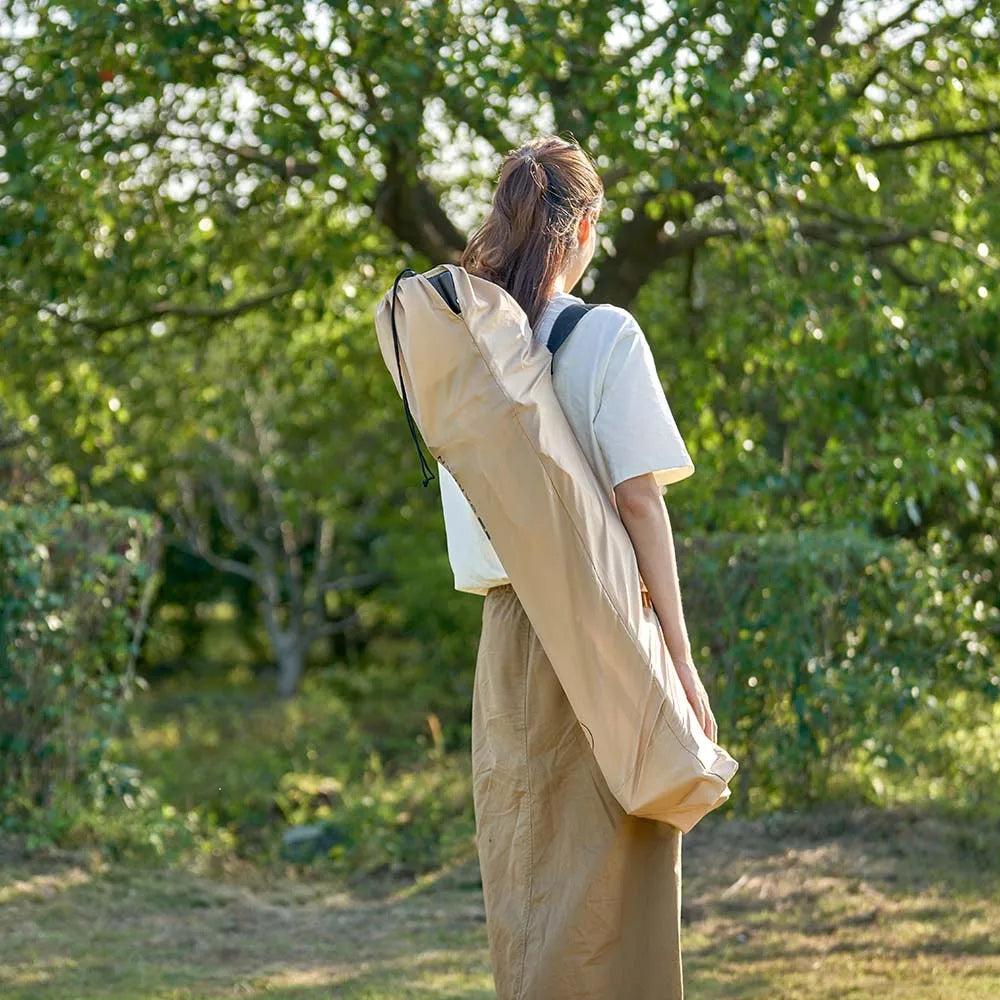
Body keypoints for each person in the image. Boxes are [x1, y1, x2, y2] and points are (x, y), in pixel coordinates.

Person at [437, 134, 718, 1000]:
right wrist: (680, 656)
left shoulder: (467, 353)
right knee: (616, 880)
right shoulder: (606, 336)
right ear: (585, 226)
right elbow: (640, 504)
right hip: (601, 625)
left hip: (507, 637)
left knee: (531, 882)